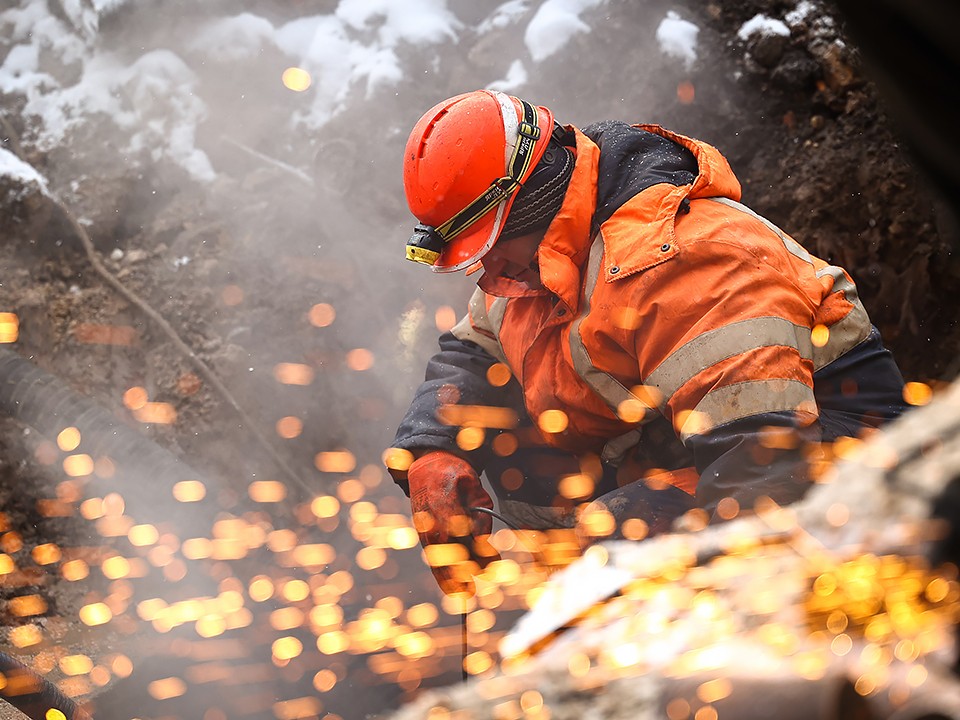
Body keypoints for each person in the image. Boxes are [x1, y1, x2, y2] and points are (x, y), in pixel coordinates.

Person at [384, 89, 908, 595]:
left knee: (619, 535)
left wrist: (736, 608)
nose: (486, 271)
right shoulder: (532, 262)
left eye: (487, 247)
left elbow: (762, 463)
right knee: (516, 457)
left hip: (834, 459)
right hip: (696, 442)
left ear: (529, 203)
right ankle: (576, 603)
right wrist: (432, 450)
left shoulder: (684, 257)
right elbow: (474, 353)